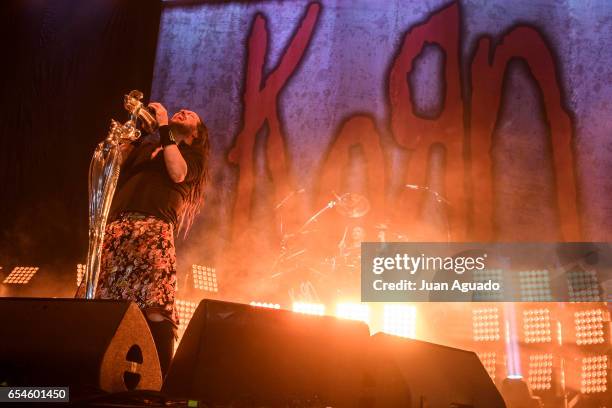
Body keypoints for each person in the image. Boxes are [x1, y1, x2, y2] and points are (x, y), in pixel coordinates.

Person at [78, 102, 209, 377]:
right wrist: (134, 127)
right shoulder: (147, 148)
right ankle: (93, 375)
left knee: (155, 308)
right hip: (116, 230)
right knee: (98, 304)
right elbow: (112, 163)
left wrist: (163, 124)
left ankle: (160, 384)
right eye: (180, 110)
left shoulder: (191, 156)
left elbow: (177, 173)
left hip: (152, 233)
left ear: (196, 134)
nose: (183, 111)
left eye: (191, 114)